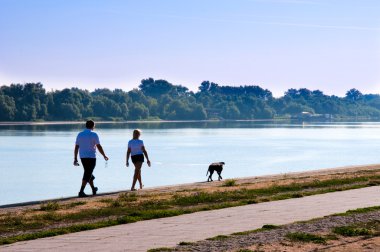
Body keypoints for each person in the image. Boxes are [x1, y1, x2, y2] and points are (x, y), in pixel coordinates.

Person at [74, 120, 109, 197]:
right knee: (88, 173)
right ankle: (81, 192)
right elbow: (98, 146)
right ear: (93, 126)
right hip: (91, 157)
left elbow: (76, 147)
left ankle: (93, 189)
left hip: (82, 157)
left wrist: (75, 158)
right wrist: (104, 155)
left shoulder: (80, 134)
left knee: (88, 173)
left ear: (86, 125)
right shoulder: (94, 134)